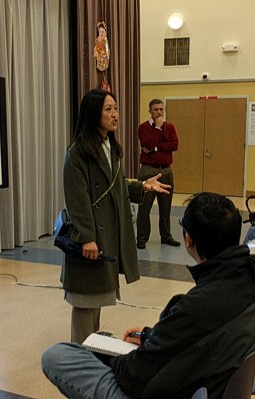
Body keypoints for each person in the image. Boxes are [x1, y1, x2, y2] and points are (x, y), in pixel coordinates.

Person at [42, 192, 255, 399]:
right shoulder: (253, 277)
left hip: (171, 388)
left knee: (57, 355)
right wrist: (150, 336)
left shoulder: (195, 307)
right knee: (102, 338)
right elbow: (197, 339)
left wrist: (113, 360)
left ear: (188, 239)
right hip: (211, 382)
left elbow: (135, 378)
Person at [62, 89, 171, 343]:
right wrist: (87, 236)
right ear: (93, 114)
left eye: (116, 108)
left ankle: (91, 349)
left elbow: (116, 183)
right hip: (89, 237)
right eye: (108, 109)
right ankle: (80, 355)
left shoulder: (111, 147)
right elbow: (77, 199)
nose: (115, 115)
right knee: (85, 299)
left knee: (98, 295)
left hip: (107, 233)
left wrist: (141, 186)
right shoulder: (78, 152)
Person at [136, 99, 181, 249]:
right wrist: (157, 128)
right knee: (145, 207)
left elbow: (174, 145)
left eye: (161, 109)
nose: (159, 112)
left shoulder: (171, 127)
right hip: (149, 170)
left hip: (166, 170)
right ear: (150, 111)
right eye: (156, 109)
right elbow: (147, 143)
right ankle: (142, 238)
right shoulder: (143, 127)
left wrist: (156, 149)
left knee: (166, 207)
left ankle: (166, 236)